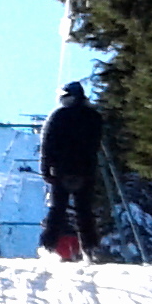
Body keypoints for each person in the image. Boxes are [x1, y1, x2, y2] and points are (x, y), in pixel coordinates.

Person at [39, 81, 103, 261]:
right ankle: (90, 249)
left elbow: (48, 144)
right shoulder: (93, 116)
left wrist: (46, 168)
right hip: (86, 169)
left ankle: (48, 246)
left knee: (57, 210)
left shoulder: (58, 116)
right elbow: (95, 144)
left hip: (62, 169)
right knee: (84, 211)